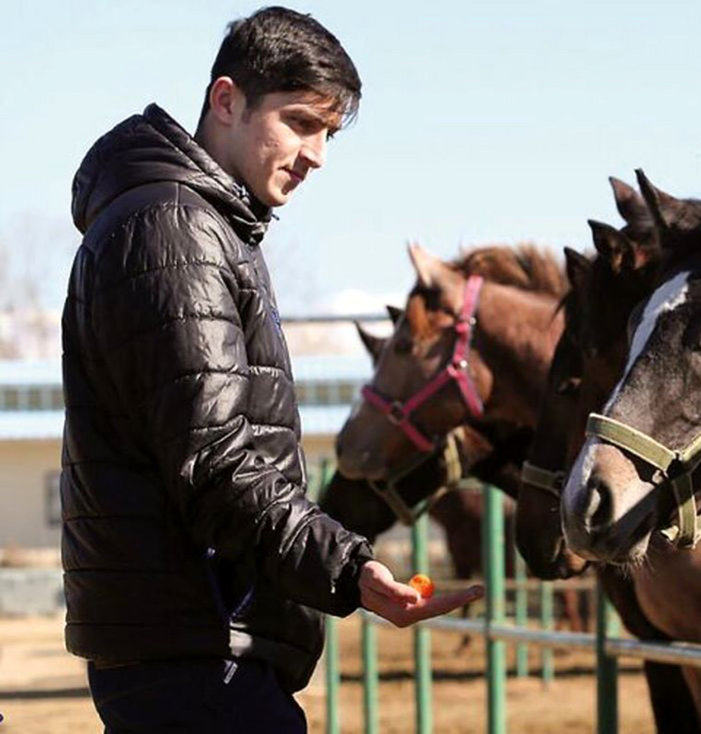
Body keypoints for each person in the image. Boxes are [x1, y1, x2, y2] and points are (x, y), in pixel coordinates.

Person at [61, 7, 482, 731]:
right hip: (195, 652)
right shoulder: (176, 230)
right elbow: (218, 462)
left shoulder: (200, 225)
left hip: (195, 646)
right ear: (226, 100)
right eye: (299, 122)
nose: (317, 154)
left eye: (328, 133)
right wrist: (349, 569)